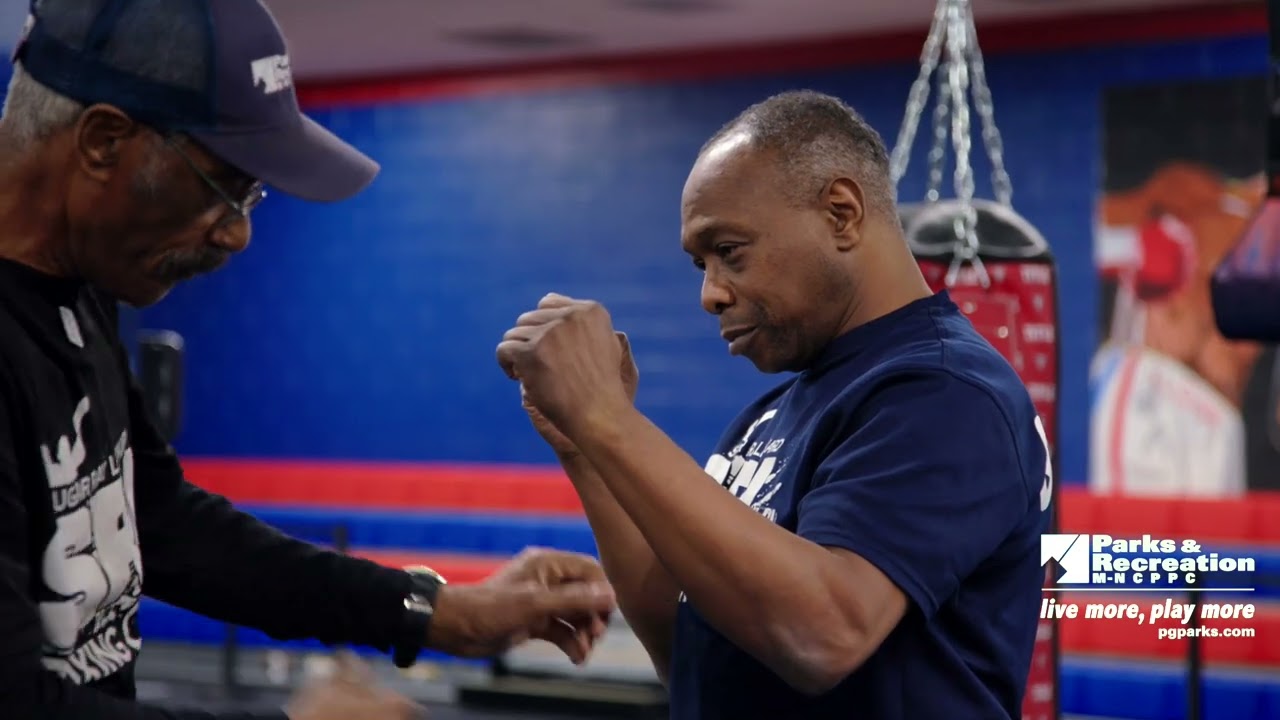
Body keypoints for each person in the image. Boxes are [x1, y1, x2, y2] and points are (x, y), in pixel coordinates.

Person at [0, 1, 616, 719]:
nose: (236, 233)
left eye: (250, 195)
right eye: (225, 185)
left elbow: (156, 520)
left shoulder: (78, 285)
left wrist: (435, 612)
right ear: (104, 142)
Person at [498, 90, 1052, 719]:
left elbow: (824, 634)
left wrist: (609, 420)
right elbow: (687, 646)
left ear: (841, 214)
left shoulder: (945, 392)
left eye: (729, 251)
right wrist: (586, 447)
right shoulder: (770, 416)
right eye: (700, 264)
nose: (710, 294)